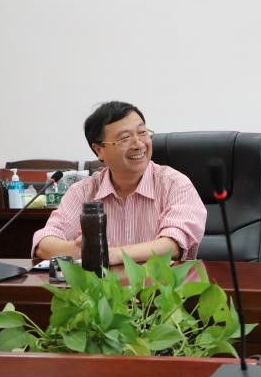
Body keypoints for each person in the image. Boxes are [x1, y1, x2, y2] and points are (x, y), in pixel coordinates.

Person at [32, 101, 207, 265]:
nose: (139, 144)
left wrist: (113, 255)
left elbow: (173, 244)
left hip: (159, 287)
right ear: (99, 150)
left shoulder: (175, 184)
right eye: (125, 138)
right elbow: (43, 244)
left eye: (142, 133)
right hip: (101, 288)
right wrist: (76, 250)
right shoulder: (83, 192)